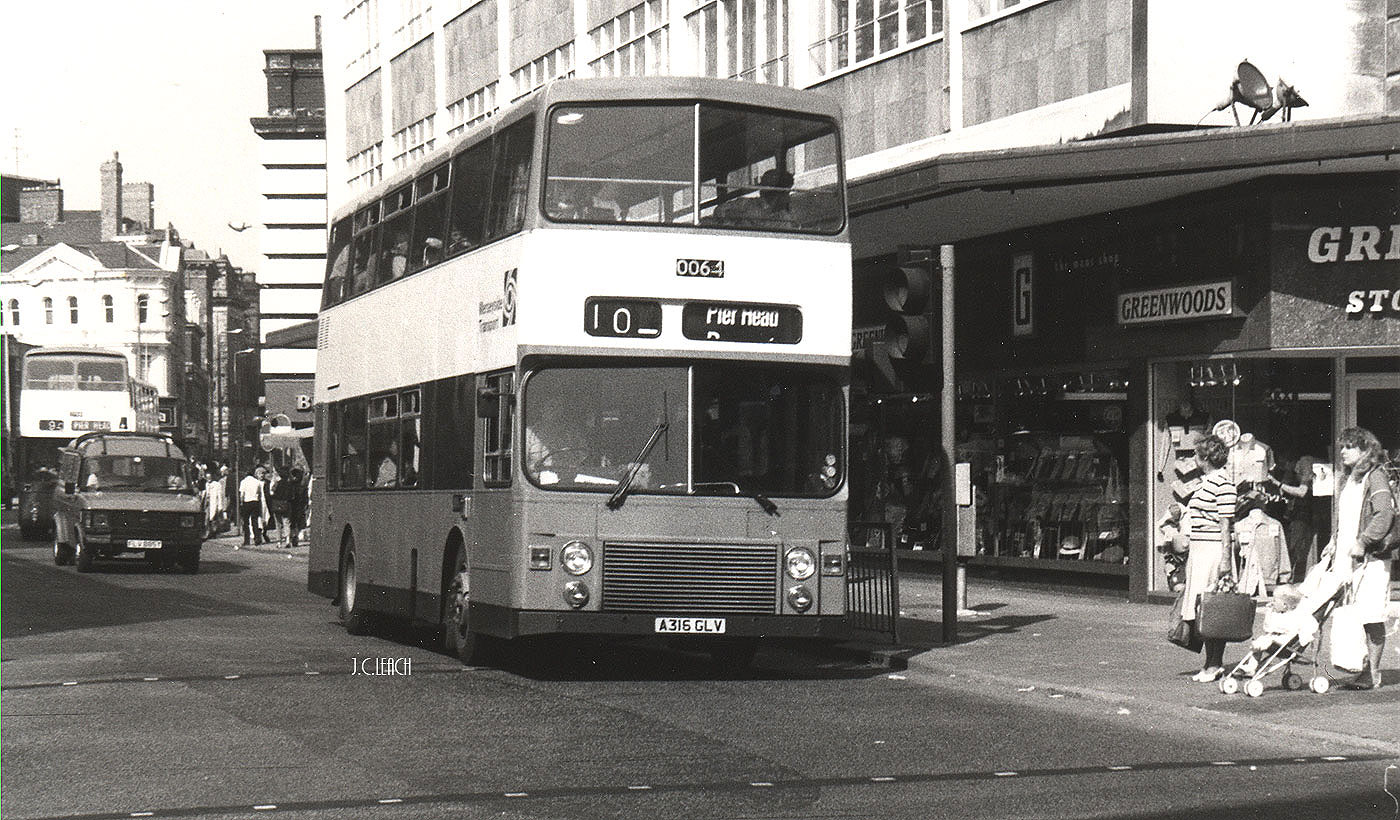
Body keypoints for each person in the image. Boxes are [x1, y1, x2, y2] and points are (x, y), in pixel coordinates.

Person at [1321, 427, 1394, 689]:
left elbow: (1384, 515)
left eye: (1349, 446)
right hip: (1347, 556)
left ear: (1365, 450)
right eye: (1342, 446)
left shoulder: (1376, 477)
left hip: (1371, 558)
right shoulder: (1348, 479)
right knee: (1353, 611)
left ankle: (1372, 672)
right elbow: (1347, 517)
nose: (1342, 451)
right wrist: (1334, 541)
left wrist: (1363, 542)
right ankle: (1360, 666)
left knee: (1371, 614)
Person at [1179, 434, 1238, 683]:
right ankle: (1210, 662)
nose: (1193, 458)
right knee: (1204, 608)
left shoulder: (1223, 483)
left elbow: (1226, 524)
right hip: (1200, 550)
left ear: (1205, 458)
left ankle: (1214, 664)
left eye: (1196, 454)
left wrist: (1225, 559)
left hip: (1213, 551)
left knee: (1213, 608)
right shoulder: (1206, 482)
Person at [716, 168, 796, 229]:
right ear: (776, 193)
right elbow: (719, 210)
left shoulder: (784, 218)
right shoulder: (745, 204)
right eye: (786, 193)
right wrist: (737, 216)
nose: (788, 198)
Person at [238, 466, 267, 546]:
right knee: (255, 521)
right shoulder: (256, 482)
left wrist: (241, 503)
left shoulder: (243, 482)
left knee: (246, 522)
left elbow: (242, 494)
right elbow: (260, 493)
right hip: (255, 502)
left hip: (247, 502)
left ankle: (246, 540)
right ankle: (257, 538)